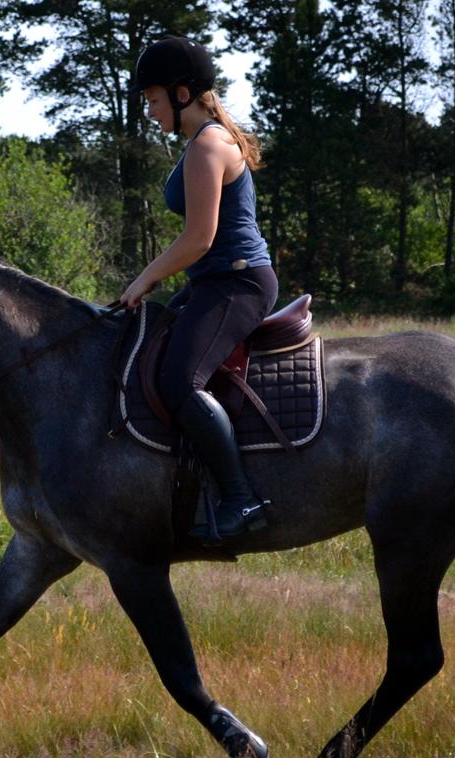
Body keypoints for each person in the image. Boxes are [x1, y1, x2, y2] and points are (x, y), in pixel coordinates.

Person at [120, 36, 279, 544]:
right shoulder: (200, 143)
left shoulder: (209, 145)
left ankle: (241, 499)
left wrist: (145, 278)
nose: (149, 111)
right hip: (213, 282)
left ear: (182, 93)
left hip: (237, 283)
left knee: (179, 381)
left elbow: (199, 239)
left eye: (153, 100)